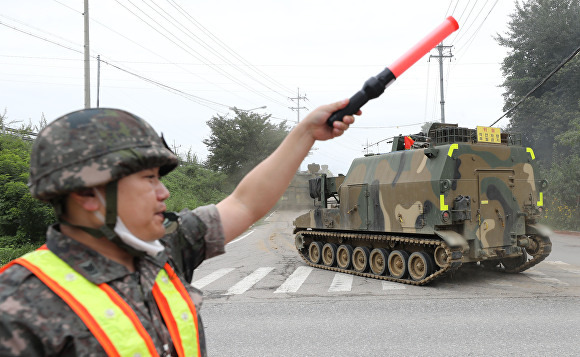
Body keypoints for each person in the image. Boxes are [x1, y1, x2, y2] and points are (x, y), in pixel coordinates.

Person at [0, 100, 356, 356]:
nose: (164, 192)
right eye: (148, 179)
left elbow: (245, 203)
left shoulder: (164, 252)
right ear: (86, 193)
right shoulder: (17, 305)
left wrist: (306, 132)